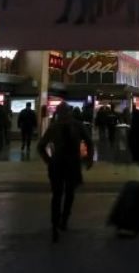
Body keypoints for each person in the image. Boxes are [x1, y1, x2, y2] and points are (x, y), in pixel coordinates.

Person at [38, 103, 93, 242]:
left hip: (56, 163)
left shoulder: (53, 126)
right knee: (69, 193)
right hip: (72, 164)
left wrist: (48, 160)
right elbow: (89, 141)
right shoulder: (78, 125)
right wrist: (88, 158)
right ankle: (64, 219)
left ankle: (55, 224)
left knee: (56, 195)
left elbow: (41, 146)